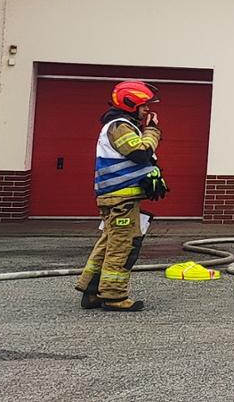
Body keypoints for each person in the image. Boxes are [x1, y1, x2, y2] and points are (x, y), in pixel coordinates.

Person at [76, 80, 166, 312]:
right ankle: (114, 296)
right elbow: (140, 152)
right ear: (130, 104)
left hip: (117, 198)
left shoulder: (119, 125)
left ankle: (92, 290)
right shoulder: (120, 126)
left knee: (109, 244)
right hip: (121, 200)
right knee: (122, 246)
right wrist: (153, 131)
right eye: (143, 105)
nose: (146, 110)